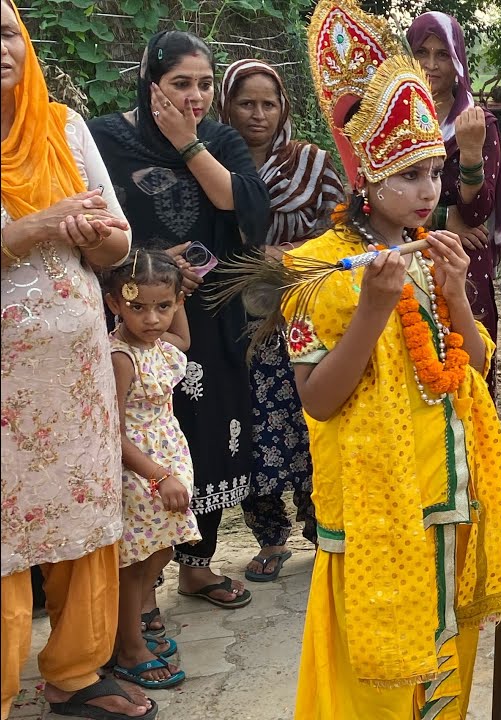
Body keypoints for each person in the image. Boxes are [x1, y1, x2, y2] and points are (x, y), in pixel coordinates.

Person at [276, 2, 501, 715]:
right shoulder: (317, 269)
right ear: (366, 177)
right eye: (410, 176)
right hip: (378, 510)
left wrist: (456, 293)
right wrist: (376, 309)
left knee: (446, 670)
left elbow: (473, 366)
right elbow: (318, 400)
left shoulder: (433, 252)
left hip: (448, 491)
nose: (428, 193)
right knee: (371, 686)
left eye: (435, 175)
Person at [1, 2, 155, 718]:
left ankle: (74, 671)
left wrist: (96, 238)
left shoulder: (62, 127)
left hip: (76, 372)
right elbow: (29, 233)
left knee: (84, 511)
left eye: (5, 31)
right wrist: (28, 227)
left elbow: (119, 244)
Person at [89, 30, 268, 616]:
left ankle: (196, 566)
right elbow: (93, 218)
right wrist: (154, 269)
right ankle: (133, 587)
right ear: (150, 84)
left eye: (204, 84)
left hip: (210, 319)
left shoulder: (217, 138)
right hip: (128, 315)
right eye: (179, 84)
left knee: (207, 435)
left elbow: (246, 208)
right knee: (134, 436)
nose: (195, 96)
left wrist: (188, 144)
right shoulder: (105, 137)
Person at [220, 58, 343, 583]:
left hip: (303, 310)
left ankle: (323, 533)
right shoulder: (214, 162)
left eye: (269, 104)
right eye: (246, 103)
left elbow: (344, 225)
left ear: (284, 108)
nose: (258, 114)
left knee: (309, 418)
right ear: (226, 106)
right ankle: (271, 537)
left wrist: (288, 255)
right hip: (236, 315)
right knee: (254, 424)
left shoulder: (309, 164)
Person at [104, 249, 199, 691]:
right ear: (114, 304)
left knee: (163, 548)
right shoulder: (122, 357)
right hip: (140, 470)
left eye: (164, 307)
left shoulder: (161, 346)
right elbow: (112, 433)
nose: (152, 319)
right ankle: (129, 649)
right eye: (137, 307)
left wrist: (180, 294)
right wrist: (158, 476)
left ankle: (134, 627)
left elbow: (184, 340)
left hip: (169, 462)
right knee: (136, 563)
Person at [408, 11, 501, 346]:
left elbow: (477, 213)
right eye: (421, 53)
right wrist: (443, 219)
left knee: (466, 358)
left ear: (458, 61)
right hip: (403, 251)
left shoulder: (476, 123)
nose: (432, 65)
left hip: (460, 258)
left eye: (443, 55)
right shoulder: (391, 121)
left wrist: (468, 153)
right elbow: (369, 193)